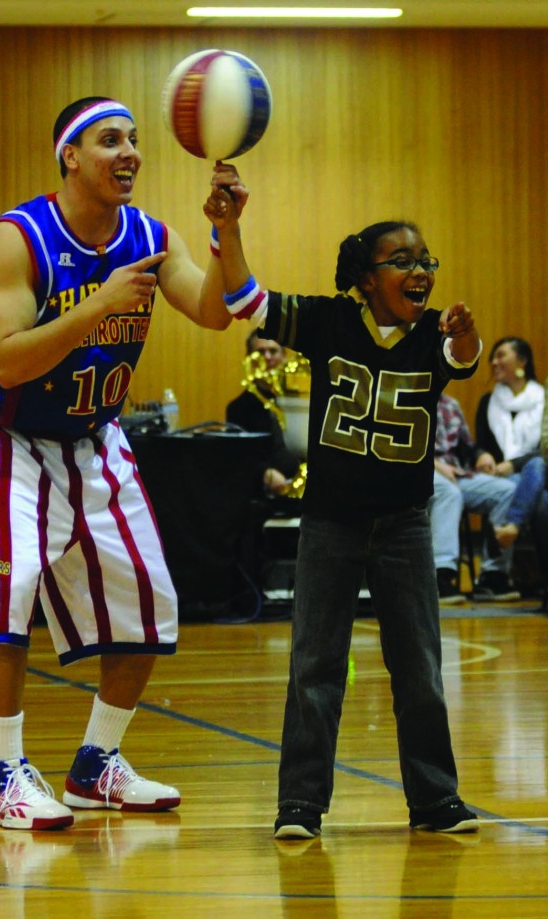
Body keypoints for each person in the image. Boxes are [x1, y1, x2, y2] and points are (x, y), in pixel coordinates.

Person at [0, 96, 247, 831]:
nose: (130, 153)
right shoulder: (15, 238)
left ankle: (95, 765)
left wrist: (227, 230)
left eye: (135, 141)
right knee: (10, 586)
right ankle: (0, 776)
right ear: (70, 157)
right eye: (109, 140)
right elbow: (8, 361)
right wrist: (99, 305)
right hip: (5, 434)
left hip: (93, 435)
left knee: (149, 601)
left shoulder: (149, 235)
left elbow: (215, 311)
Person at [205, 181, 481, 839]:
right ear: (365, 276)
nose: (419, 270)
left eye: (426, 261)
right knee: (315, 665)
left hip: (406, 525)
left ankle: (436, 800)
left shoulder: (434, 333)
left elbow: (460, 359)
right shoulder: (328, 320)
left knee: (418, 667)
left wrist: (468, 337)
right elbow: (244, 298)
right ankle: (300, 803)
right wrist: (230, 227)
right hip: (330, 522)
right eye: (403, 260)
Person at [430, 392, 521, 603]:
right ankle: (441, 575)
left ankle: (493, 575)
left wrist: (481, 456)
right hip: (423, 471)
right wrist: (436, 464)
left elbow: (467, 447)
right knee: (449, 494)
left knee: (506, 491)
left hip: (457, 472)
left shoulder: (450, 404)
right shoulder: (409, 396)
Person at [473, 337, 546, 597]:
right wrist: (482, 455)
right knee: (539, 503)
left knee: (535, 466)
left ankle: (510, 529)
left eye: (501, 355)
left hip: (537, 470)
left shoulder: (543, 398)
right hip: (506, 479)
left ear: (522, 361)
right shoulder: (488, 401)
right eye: (493, 357)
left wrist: (513, 464)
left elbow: (543, 450)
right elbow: (479, 444)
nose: (494, 362)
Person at [226, 330, 301, 495]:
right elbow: (237, 456)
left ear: (284, 357)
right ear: (249, 359)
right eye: (260, 352)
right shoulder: (238, 409)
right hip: (261, 495)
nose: (267, 357)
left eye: (273, 351)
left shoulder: (300, 403)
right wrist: (265, 473)